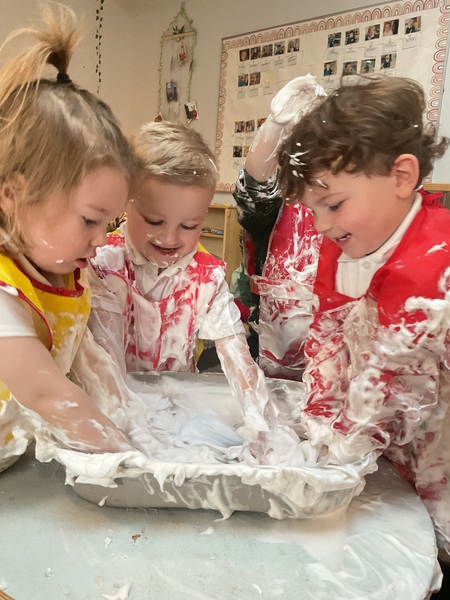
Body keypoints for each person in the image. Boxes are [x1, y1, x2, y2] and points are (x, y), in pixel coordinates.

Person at [277, 76, 450, 590]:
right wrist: (318, 425)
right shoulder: (343, 246)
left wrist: (339, 457)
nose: (320, 225)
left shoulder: (435, 263)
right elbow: (328, 341)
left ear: (401, 176)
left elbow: (393, 388)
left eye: (333, 205)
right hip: (386, 457)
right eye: (312, 210)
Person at [0, 5, 136, 472]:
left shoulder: (60, 266)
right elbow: (48, 395)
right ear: (13, 195)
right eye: (90, 220)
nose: (101, 240)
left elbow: (88, 361)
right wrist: (140, 462)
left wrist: (130, 415)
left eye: (110, 223)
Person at [88, 121, 271, 438]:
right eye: (154, 220)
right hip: (110, 411)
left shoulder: (205, 278)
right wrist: (127, 431)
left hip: (177, 411)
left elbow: (238, 357)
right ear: (125, 203)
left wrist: (258, 421)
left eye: (189, 226)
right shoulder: (103, 264)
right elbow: (107, 370)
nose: (170, 238)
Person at [233, 75, 326, 380]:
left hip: (330, 358)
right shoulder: (275, 206)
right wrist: (275, 127)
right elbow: (255, 189)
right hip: (269, 355)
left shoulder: (352, 209)